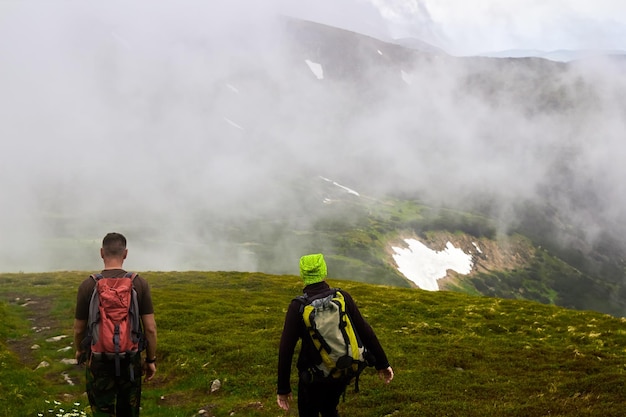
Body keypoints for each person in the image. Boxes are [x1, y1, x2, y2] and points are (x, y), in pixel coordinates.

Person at [277, 253, 394, 416]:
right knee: (329, 409)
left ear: (303, 275)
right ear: (323, 271)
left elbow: (286, 349)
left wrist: (283, 388)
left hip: (313, 376)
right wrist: (382, 364)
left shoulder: (298, 307)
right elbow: (365, 330)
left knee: (308, 412)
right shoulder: (342, 297)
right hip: (342, 370)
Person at [73, 232, 158, 417]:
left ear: (101, 252)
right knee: (129, 411)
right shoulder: (139, 283)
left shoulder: (88, 285)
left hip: (98, 359)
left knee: (102, 411)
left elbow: (79, 329)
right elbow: (150, 329)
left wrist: (80, 350)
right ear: (125, 253)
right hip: (130, 359)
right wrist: (150, 360)